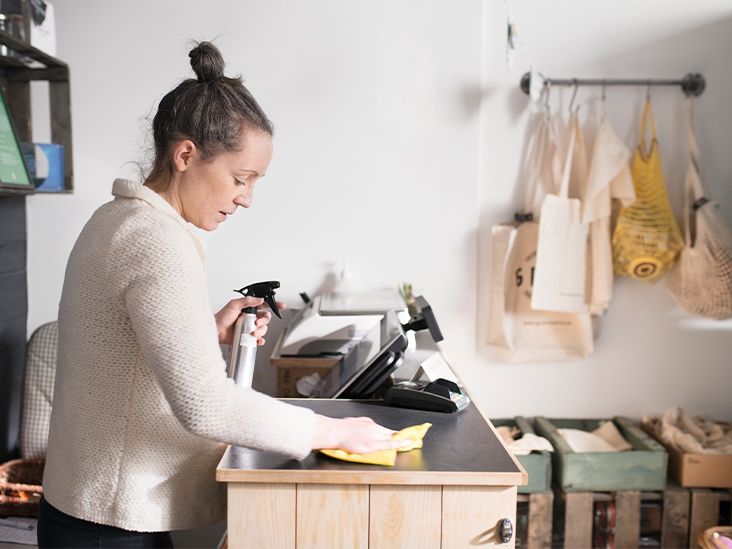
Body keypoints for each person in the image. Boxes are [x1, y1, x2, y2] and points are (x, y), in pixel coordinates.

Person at [37, 41, 409, 548]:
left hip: (93, 504)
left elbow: (117, 346)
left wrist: (201, 331)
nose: (246, 198)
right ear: (186, 154)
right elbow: (206, 405)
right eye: (241, 178)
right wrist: (332, 432)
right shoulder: (158, 241)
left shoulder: (117, 218)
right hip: (109, 522)